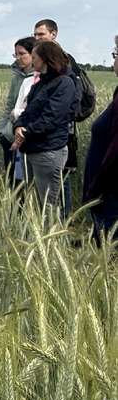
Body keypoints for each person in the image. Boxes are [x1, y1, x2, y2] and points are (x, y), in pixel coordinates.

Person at [11, 40, 78, 217]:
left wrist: (24, 134)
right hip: (32, 148)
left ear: (46, 59)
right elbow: (28, 111)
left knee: (49, 204)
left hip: (48, 150)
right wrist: (18, 127)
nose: (32, 61)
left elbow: (51, 118)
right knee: (33, 200)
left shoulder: (64, 84)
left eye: (34, 57)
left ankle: (53, 241)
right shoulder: (41, 83)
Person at [83, 35, 118, 244]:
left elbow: (116, 151)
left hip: (112, 197)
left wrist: (97, 188)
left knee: (111, 266)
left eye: (115, 54)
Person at [0, 37, 35, 179]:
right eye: (15, 54)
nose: (18, 58)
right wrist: (2, 131)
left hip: (28, 137)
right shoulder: (17, 76)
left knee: (27, 182)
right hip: (9, 137)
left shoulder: (40, 77)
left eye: (22, 54)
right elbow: (9, 105)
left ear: (33, 54)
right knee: (11, 181)